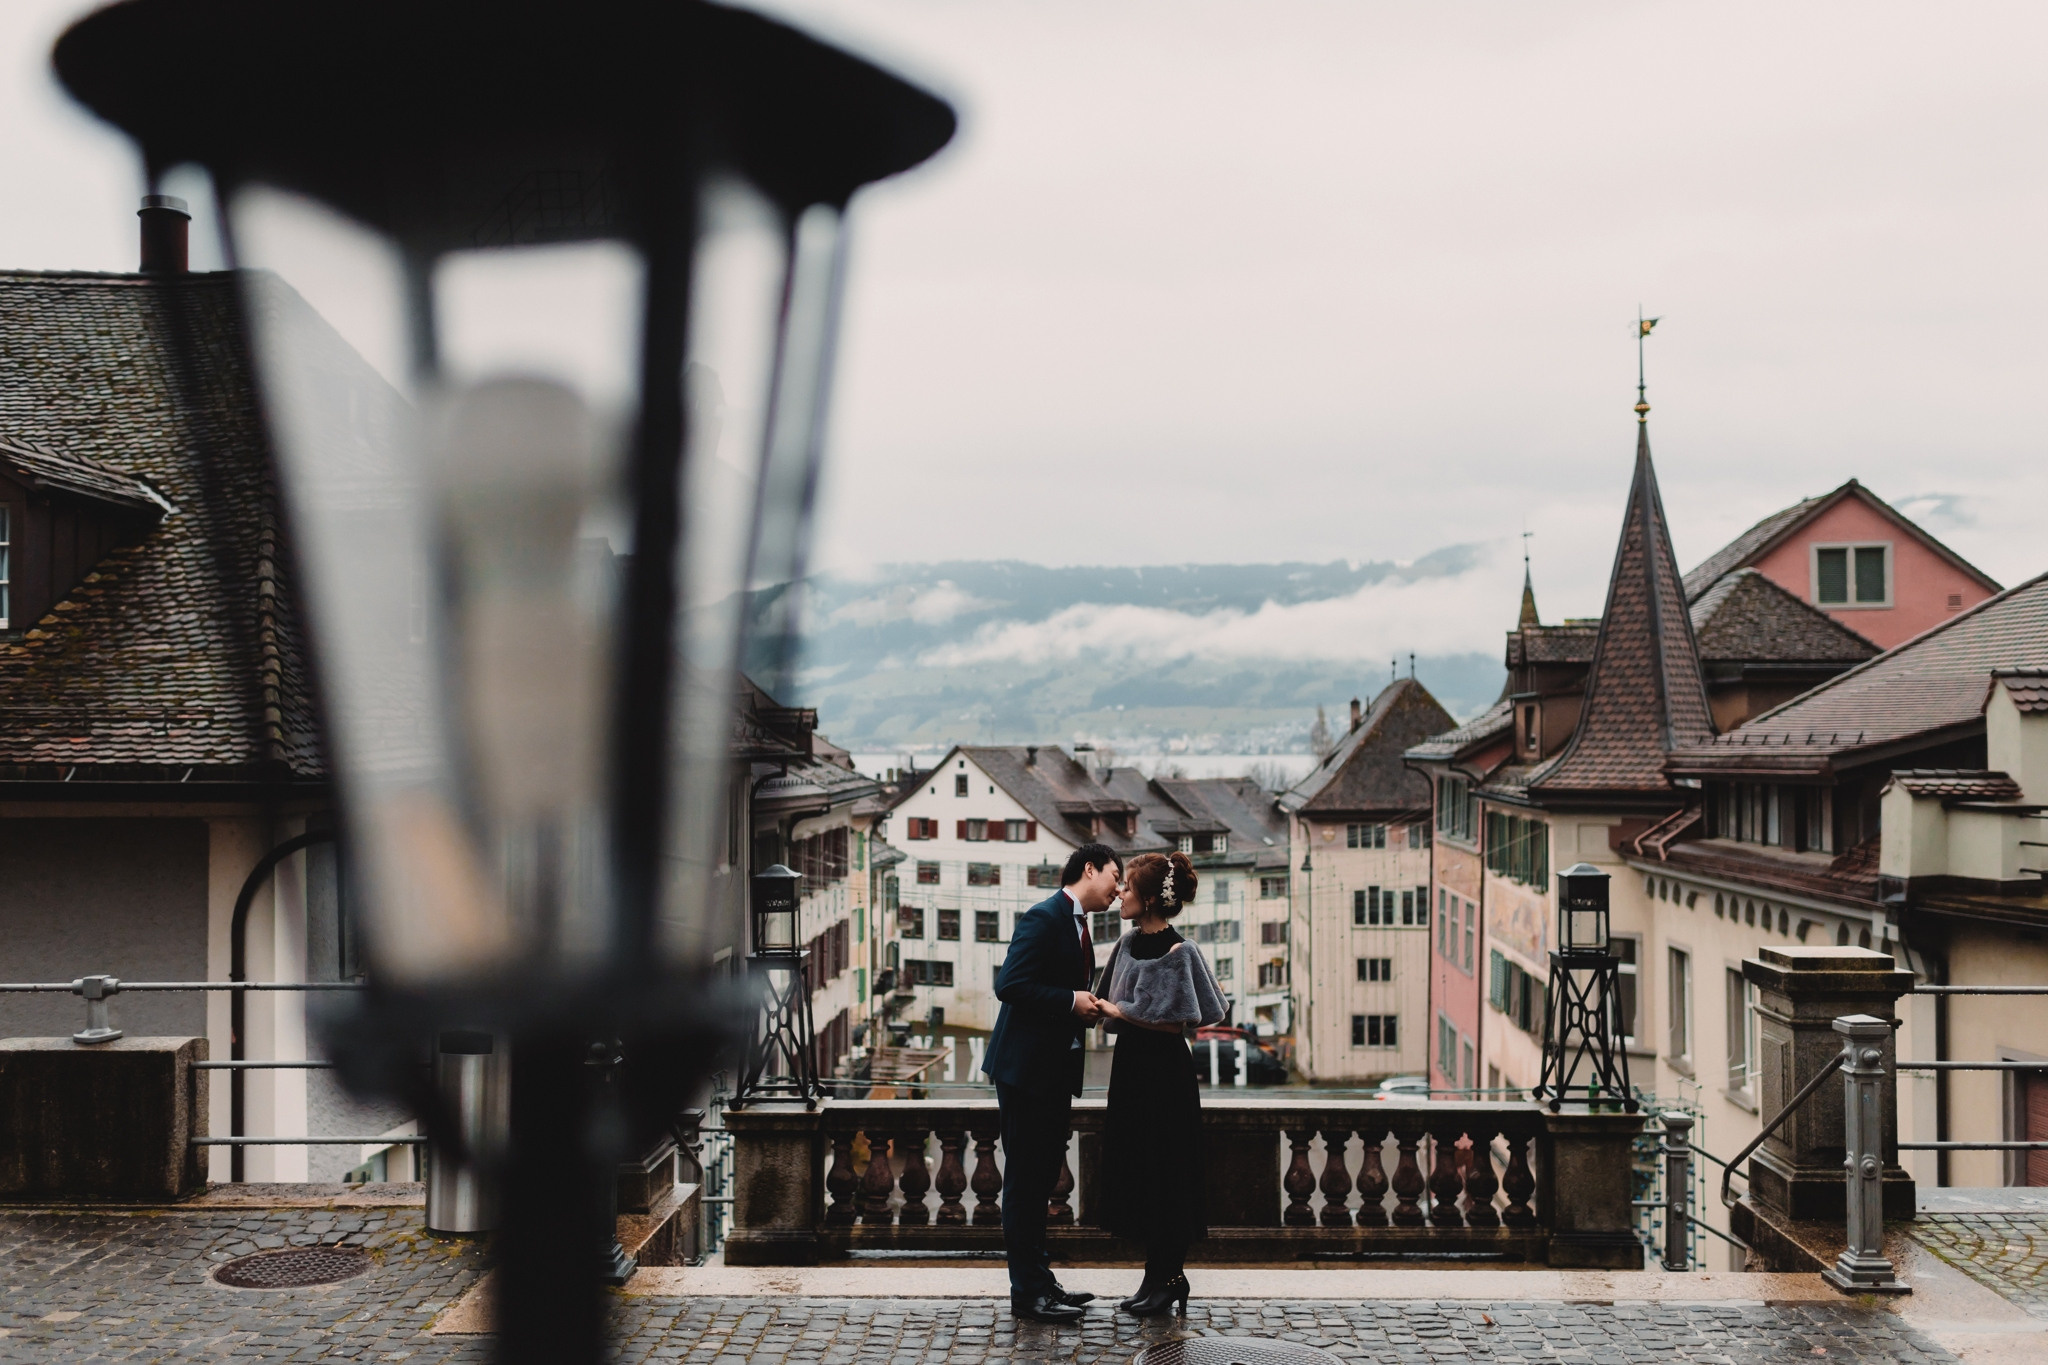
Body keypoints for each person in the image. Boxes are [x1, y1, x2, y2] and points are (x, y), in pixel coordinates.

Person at [980, 842, 1119, 1323]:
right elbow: (1009, 986)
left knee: (1039, 1182)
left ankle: (1042, 1282)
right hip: (1026, 1071)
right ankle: (1028, 1294)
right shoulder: (1045, 916)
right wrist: (1070, 1002)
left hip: (1051, 1071)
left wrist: (1086, 1008)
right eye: (1114, 877)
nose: (1119, 890)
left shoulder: (1078, 925)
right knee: (1024, 1183)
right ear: (1089, 868)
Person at [1096, 850, 1226, 1317]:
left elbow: (1178, 1023)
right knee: (1142, 1171)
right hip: (1131, 1069)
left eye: (1127, 888)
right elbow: (1108, 996)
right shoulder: (1127, 944)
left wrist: (1120, 1012)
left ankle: (1170, 1277)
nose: (1120, 894)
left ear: (1149, 899)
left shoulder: (1180, 951)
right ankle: (1156, 1277)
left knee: (1168, 1172)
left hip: (1165, 1074)